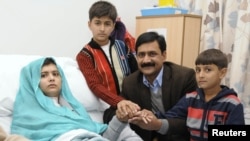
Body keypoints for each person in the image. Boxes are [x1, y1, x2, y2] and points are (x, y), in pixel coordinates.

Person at [10, 57, 141, 141]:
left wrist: (120, 119)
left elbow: (104, 136)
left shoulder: (74, 113)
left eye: (55, 74)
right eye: (43, 75)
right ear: (33, 82)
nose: (51, 78)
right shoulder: (27, 116)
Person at [116, 31, 198, 141]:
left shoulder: (184, 77)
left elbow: (192, 120)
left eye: (152, 54)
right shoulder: (130, 82)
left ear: (164, 55)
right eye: (141, 55)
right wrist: (121, 112)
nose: (146, 60)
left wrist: (158, 124)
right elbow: (110, 112)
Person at [76, 0, 139, 125]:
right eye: (97, 23)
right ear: (89, 24)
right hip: (109, 108)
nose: (102, 29)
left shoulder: (123, 47)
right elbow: (95, 85)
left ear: (113, 25)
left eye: (107, 24)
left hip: (132, 101)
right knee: (131, 122)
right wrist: (118, 102)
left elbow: (136, 74)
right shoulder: (84, 55)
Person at [162, 48, 245, 140]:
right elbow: (169, 115)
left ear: (222, 73)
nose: (201, 75)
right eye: (198, 70)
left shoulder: (232, 103)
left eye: (208, 70)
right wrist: (149, 116)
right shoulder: (190, 98)